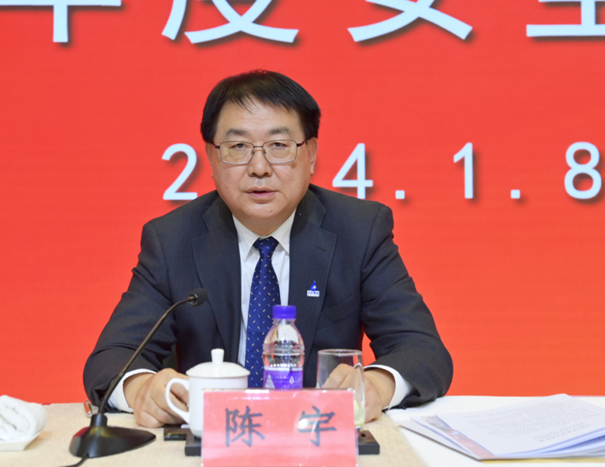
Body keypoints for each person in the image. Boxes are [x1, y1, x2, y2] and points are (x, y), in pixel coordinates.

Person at [83, 70, 452, 428]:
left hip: (317, 436)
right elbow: (111, 358)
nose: (259, 167)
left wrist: (377, 386)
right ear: (212, 158)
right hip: (212, 439)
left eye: (279, 146)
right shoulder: (172, 240)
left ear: (310, 154)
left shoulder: (358, 231)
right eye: (238, 147)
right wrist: (141, 389)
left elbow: (422, 350)